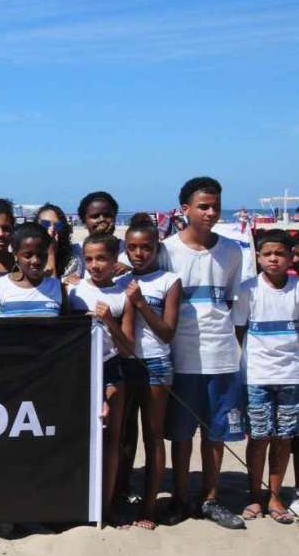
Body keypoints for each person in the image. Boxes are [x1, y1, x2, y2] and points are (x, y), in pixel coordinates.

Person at [158, 176, 246, 529]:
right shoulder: (166, 250)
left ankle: (211, 498)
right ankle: (180, 497)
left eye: (215, 206)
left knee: (215, 434)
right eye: (203, 206)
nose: (210, 213)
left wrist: (232, 346)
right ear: (185, 210)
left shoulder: (233, 250)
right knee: (180, 436)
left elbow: (236, 307)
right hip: (181, 357)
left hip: (223, 355)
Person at [67, 233, 135, 525]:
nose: (95, 265)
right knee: (75, 437)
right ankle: (75, 502)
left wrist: (109, 320)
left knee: (112, 439)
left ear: (114, 259)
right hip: (77, 369)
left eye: (102, 258)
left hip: (111, 368)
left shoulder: (123, 295)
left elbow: (128, 348)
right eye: (89, 259)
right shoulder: (71, 290)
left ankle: (105, 507)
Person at [232, 230, 298, 524]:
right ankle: (254, 495)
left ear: (291, 256)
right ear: (258, 258)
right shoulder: (248, 289)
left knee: (283, 438)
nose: (274, 259)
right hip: (257, 375)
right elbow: (239, 329)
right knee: (258, 437)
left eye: (280, 253)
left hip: (292, 376)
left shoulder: (297, 288)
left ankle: (275, 495)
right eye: (267, 254)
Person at [122, 213, 181, 530]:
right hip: (124, 363)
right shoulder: (122, 278)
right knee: (122, 435)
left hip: (156, 363)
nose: (139, 254)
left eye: (146, 247)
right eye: (132, 248)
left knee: (153, 437)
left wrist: (142, 303)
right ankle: (119, 497)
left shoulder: (169, 281)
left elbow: (168, 332)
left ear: (156, 248)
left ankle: (149, 506)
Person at [0, 223, 66, 318]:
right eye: (27, 256)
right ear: (15, 254)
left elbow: (67, 329)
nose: (36, 261)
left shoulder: (57, 288)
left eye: (41, 254)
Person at [35, 204, 78, 279]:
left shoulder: (73, 259)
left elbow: (53, 288)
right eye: (45, 224)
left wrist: (51, 254)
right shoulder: (27, 257)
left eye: (57, 226)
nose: (51, 230)